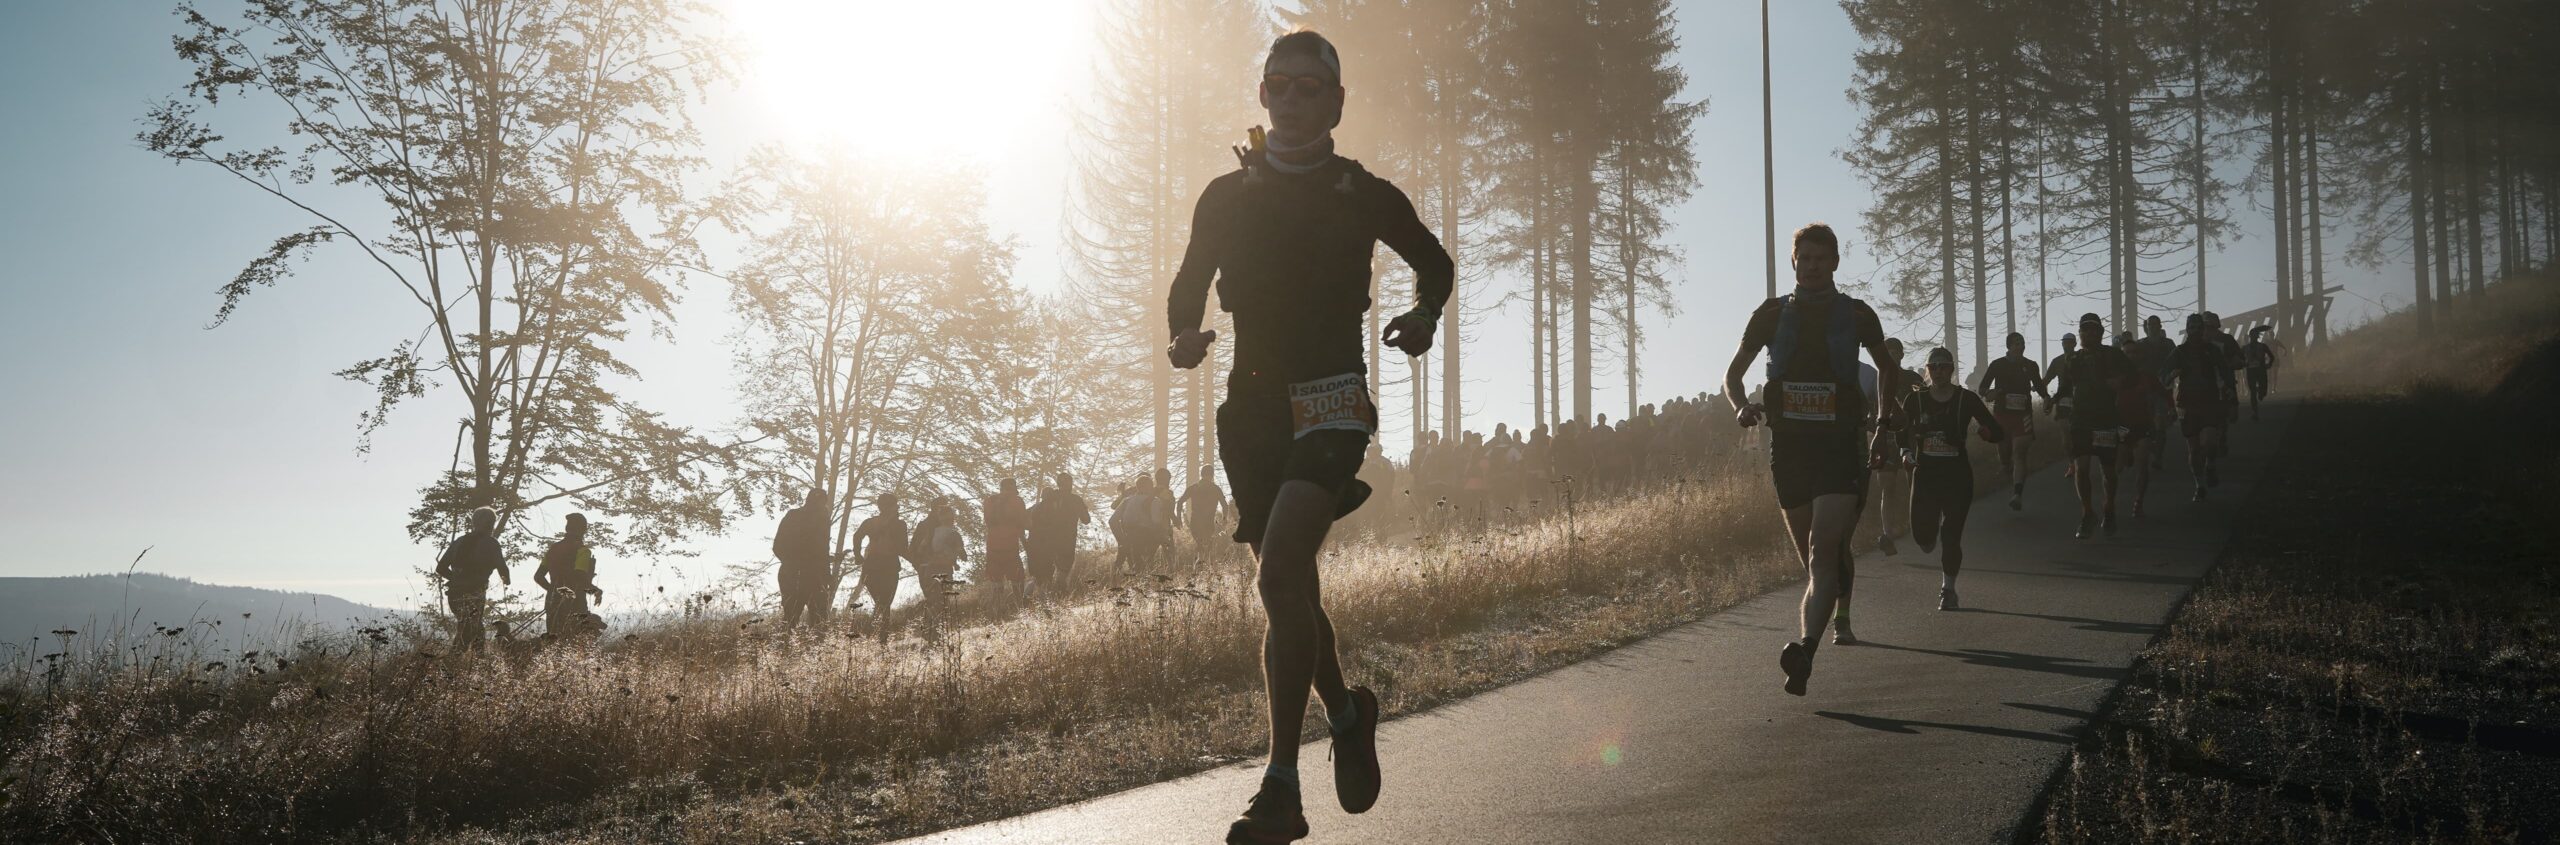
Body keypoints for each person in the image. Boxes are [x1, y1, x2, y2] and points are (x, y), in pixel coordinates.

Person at [1164, 28, 1450, 843]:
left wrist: (1425, 314)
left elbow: (1435, 262)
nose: (1290, 100)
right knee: (1287, 587)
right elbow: (1187, 286)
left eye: (1308, 88)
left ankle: (1282, 787)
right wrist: (1184, 335)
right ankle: (1347, 714)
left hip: (1333, 400)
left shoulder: (1362, 191)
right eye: (1277, 85)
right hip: (1249, 409)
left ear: (1335, 102)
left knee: (1282, 568)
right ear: (1262, 95)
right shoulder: (1226, 194)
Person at [1723, 222, 1898, 695]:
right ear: (1794, 262)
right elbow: (1733, 375)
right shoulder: (1770, 314)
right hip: (1790, 451)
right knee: (1816, 562)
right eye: (1806, 258)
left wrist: (1881, 425)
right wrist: (1741, 407)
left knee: (1822, 555)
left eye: (1823, 258)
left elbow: (1888, 368)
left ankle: (1805, 651)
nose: (1814, 266)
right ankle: (1834, 604)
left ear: (1836, 262)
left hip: (1840, 448)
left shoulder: (1858, 314)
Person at [1899, 348, 2004, 611]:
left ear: (1952, 369)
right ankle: (1928, 534)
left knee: (1951, 536)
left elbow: (1998, 431)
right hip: (1925, 476)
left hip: (1957, 476)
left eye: (1944, 367)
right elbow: (1903, 430)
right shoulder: (1915, 400)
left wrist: (1985, 432)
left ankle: (1948, 590)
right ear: (1928, 370)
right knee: (1923, 538)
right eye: (1933, 367)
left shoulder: (1965, 399)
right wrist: (1906, 451)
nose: (1939, 372)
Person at [2052, 315, 2136, 539]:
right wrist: (2053, 399)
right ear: (2079, 334)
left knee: (2108, 471)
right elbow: (2067, 384)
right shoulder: (2074, 359)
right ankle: (2087, 513)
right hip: (2080, 418)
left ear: (2100, 333)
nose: (2087, 334)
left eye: (2092, 330)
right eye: (2083, 331)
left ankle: (2109, 509)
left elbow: (2133, 376)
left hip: (2105, 418)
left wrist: (2120, 382)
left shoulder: (2113, 355)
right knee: (2081, 467)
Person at [1977, 332, 2050, 510]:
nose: (2020, 346)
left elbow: (2039, 386)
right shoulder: (1997, 365)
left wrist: (2047, 398)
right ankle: (2005, 465)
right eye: (2016, 343)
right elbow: (1982, 388)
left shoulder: (2031, 366)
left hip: (2023, 415)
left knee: (2019, 453)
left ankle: (2017, 493)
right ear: (2009, 346)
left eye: (2022, 343)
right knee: (2005, 453)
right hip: (2002, 414)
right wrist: (1989, 393)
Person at [1859, 341, 1916, 559]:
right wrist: (1874, 429)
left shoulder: (1912, 379)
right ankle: (1888, 534)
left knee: (1914, 481)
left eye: (1895, 353)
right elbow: (1866, 412)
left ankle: (1916, 525)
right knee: (1887, 486)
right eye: (1887, 353)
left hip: (1910, 440)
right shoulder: (1876, 380)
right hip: (1885, 441)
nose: (1891, 357)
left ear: (1902, 355)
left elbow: (1925, 404)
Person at [433, 506, 510, 651]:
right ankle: (453, 661)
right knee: (470, 630)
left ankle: (475, 666)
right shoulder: (492, 543)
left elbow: (440, 568)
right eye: (492, 522)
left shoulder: (459, 542)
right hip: (474, 594)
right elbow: (503, 569)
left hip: (455, 595)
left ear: (474, 523)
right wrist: (506, 580)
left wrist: (456, 579)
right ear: (491, 524)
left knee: (475, 629)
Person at [2170, 314, 2230, 500]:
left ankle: (2210, 465)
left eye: (2198, 328)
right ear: (2188, 330)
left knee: (2210, 442)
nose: (2195, 331)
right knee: (2194, 449)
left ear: (2203, 330)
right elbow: (2163, 374)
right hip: (2187, 403)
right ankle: (2199, 484)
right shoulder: (2179, 352)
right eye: (2192, 328)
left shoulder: (2212, 350)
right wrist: (2173, 373)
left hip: (2210, 401)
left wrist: (2231, 395)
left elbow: (2226, 372)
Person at [2113, 332, 2171, 518]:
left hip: (2142, 426)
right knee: (2117, 466)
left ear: (2139, 355)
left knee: (2142, 463)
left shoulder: (2147, 376)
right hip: (2120, 427)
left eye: (2134, 352)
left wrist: (2171, 409)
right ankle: (2110, 503)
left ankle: (2138, 502)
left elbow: (2164, 393)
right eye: (2127, 353)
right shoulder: (2115, 377)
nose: (2131, 356)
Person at [534, 513, 604, 641]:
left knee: (553, 641)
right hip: (575, 603)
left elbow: (538, 577)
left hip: (552, 602)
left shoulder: (553, 549)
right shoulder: (582, 550)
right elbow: (579, 578)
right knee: (577, 642)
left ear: (567, 528)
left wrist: (553, 591)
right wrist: (596, 591)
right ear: (583, 530)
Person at [773, 489, 835, 627]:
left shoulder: (793, 515)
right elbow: (822, 550)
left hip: (794, 572)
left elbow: (777, 546)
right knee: (816, 619)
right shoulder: (821, 519)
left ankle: (787, 645)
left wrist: (790, 563)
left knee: (791, 617)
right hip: (809, 574)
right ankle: (809, 646)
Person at [851, 495, 908, 640]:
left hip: (873, 567)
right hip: (887, 567)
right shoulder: (899, 525)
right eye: (896, 505)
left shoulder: (871, 522)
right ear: (891, 507)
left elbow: (857, 536)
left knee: (882, 604)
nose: (898, 507)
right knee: (884, 604)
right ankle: (880, 637)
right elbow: (903, 548)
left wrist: (858, 555)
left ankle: (877, 635)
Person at [1026, 474, 1089, 596]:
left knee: (1045, 574)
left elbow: (1030, 514)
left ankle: (1038, 597)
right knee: (1063, 571)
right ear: (1071, 484)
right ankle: (1058, 596)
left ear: (1058, 483)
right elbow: (1086, 520)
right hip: (1067, 540)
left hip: (1046, 541)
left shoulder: (1050, 497)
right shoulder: (1075, 500)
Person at [2135, 317, 2180, 470]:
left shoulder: (2168, 344)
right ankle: (2152, 446)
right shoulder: (2140, 345)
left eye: (2155, 325)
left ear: (2160, 326)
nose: (2152, 327)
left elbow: (2177, 361)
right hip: (2145, 389)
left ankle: (2158, 457)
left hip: (2163, 387)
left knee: (2160, 423)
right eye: (2150, 325)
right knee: (2148, 423)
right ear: (2146, 327)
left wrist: (2172, 374)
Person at [982, 480, 1030, 600]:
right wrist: (1026, 545)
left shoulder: (989, 501)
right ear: (1013, 488)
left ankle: (997, 611)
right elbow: (1024, 524)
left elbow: (988, 522)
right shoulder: (1017, 501)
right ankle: (1018, 607)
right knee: (1018, 580)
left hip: (992, 547)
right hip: (1010, 548)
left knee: (996, 582)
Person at [1183, 467, 1229, 560]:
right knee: (1207, 545)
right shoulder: (1216, 489)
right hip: (1208, 522)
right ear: (1212, 475)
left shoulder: (1193, 488)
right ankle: (1204, 566)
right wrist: (1224, 519)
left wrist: (1182, 517)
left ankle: (1200, 565)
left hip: (1195, 522)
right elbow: (1224, 505)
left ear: (1201, 474)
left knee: (1200, 544)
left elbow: (1180, 502)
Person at [2243, 325, 2278, 420]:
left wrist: (2269, 364)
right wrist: (2244, 364)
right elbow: (2240, 358)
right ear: (2250, 337)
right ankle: (2255, 413)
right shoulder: (2245, 348)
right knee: (2253, 393)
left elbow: (2272, 357)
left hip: (2261, 370)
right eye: (2252, 336)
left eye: (2255, 336)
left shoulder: (2262, 346)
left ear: (2257, 337)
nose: (2254, 337)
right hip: (2252, 371)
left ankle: (2260, 391)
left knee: (2263, 393)